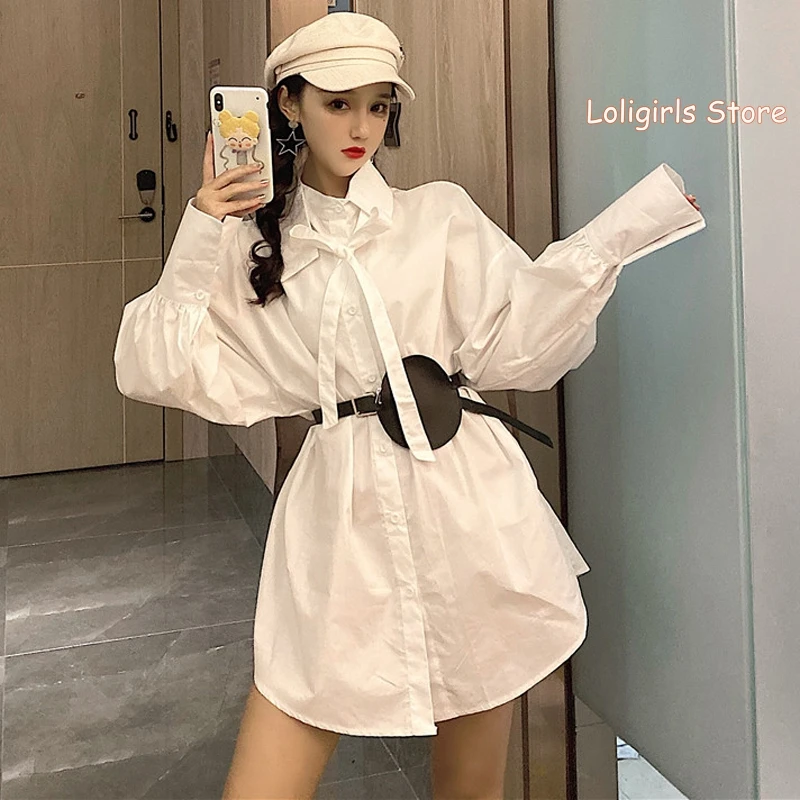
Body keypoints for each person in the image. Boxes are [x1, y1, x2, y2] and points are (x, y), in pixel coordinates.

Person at [113, 11, 705, 799]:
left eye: (378, 104)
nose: (361, 127)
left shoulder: (439, 215)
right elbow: (151, 368)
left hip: (468, 503)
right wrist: (201, 224)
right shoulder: (248, 242)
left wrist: (627, 231)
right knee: (278, 742)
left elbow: (520, 340)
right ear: (287, 103)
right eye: (337, 103)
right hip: (339, 519)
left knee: (472, 785)